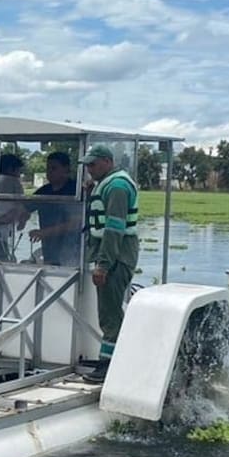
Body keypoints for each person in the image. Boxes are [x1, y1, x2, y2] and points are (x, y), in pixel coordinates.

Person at [79, 144, 138, 383]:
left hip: (116, 257)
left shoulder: (117, 187)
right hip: (113, 256)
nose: (90, 169)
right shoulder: (107, 185)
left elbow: (114, 229)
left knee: (111, 314)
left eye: (93, 164)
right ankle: (109, 359)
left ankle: (109, 365)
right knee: (107, 311)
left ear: (107, 161)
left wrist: (103, 264)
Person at [28, 151, 82, 265]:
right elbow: (23, 208)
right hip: (49, 251)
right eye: (47, 169)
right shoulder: (44, 191)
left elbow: (75, 223)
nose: (49, 172)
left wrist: (44, 232)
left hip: (72, 251)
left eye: (53, 168)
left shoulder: (76, 190)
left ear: (66, 169)